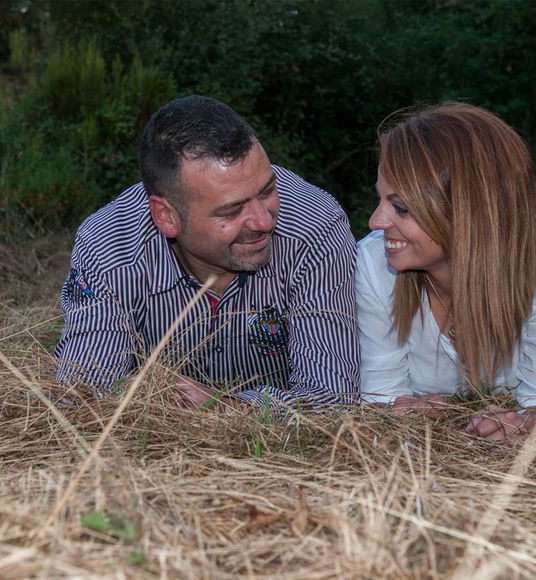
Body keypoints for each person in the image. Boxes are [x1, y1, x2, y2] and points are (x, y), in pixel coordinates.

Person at [54, 95, 359, 409]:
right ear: (166, 216)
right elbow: (83, 400)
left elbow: (334, 399)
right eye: (232, 211)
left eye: (267, 190)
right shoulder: (110, 246)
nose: (264, 221)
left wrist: (221, 407)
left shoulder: (314, 225)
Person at [356, 103, 536, 439]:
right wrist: (393, 410)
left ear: (466, 212)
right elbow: (381, 394)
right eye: (381, 199)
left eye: (400, 207)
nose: (375, 222)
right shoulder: (373, 262)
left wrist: (528, 423)